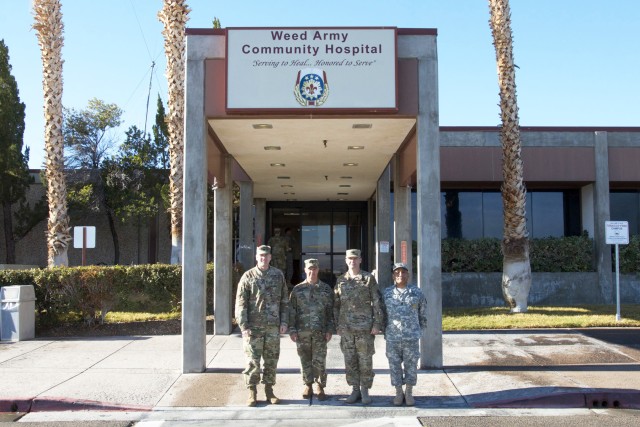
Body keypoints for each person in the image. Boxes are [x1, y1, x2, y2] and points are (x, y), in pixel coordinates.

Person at [235, 245, 289, 407]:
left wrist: (284, 321)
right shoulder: (248, 276)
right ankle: (252, 392)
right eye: (260, 255)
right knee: (253, 361)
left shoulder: (278, 275)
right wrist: (244, 326)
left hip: (273, 328)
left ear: (270, 257)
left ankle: (269, 391)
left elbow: (284, 301)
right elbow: (240, 303)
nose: (263, 258)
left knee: (271, 360)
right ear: (256, 257)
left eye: (266, 256)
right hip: (254, 328)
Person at [334, 248, 384, 405]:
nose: (352, 261)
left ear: (360, 260)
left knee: (365, 360)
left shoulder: (368, 278)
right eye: (350, 258)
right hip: (346, 329)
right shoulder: (341, 280)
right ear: (346, 260)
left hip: (364, 329)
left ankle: (365, 390)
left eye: (355, 258)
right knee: (350, 361)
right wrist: (337, 325)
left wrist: (377, 323)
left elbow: (377, 302)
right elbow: (336, 304)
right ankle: (355, 389)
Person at [288, 258, 335, 400]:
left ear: (318, 270)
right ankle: (308, 384)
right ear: (305, 270)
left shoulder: (326, 289)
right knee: (304, 359)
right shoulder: (297, 290)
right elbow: (292, 311)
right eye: (309, 269)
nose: (312, 272)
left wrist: (330, 329)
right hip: (302, 332)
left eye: (314, 269)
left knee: (320, 359)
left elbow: (330, 311)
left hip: (320, 331)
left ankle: (319, 385)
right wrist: (292, 329)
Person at [382, 262, 428, 406]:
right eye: (397, 273)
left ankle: (408, 393)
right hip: (393, 338)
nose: (400, 275)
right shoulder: (387, 293)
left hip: (411, 338)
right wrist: (386, 332)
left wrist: (419, 332)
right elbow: (382, 315)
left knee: (411, 365)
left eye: (403, 272)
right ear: (393, 276)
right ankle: (398, 392)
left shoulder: (417, 293)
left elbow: (423, 315)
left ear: (408, 275)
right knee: (394, 366)